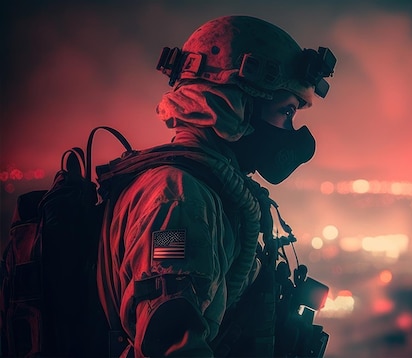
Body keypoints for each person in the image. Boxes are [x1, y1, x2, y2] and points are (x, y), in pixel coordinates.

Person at [96, 15, 335, 357]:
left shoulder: (214, 194)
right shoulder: (176, 202)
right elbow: (172, 344)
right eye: (286, 112)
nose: (289, 129)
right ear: (237, 105)